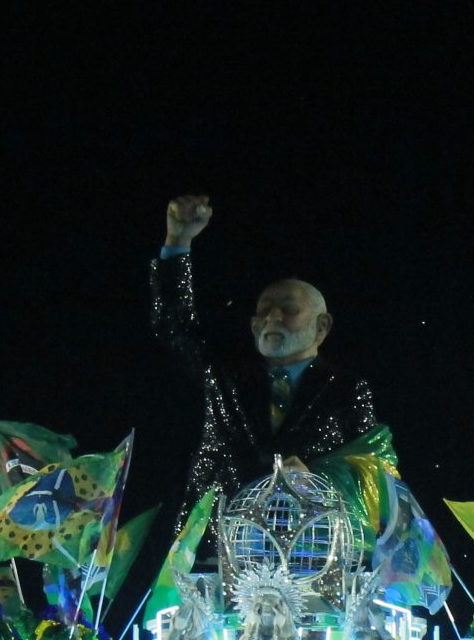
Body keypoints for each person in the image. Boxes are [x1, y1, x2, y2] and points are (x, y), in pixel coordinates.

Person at [151, 193, 383, 525]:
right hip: (221, 540)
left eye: (288, 308)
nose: (273, 317)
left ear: (322, 326)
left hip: (307, 543)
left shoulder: (346, 389)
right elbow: (175, 327)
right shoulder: (226, 378)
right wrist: (178, 242)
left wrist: (317, 479)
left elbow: (373, 467)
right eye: (264, 309)